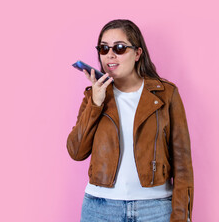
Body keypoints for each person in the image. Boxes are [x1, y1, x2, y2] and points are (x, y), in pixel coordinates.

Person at [67, 19, 193, 222]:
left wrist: (181, 216)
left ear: (137, 53)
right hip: (100, 209)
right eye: (103, 48)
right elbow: (76, 151)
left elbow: (182, 163)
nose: (110, 55)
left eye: (119, 48)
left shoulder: (166, 94)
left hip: (156, 209)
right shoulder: (94, 96)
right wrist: (95, 104)